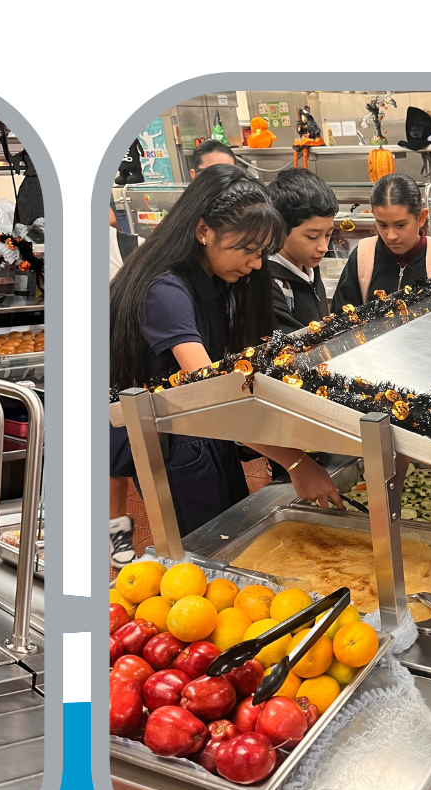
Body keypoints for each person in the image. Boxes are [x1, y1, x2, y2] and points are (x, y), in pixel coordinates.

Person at [109, 164, 341, 551]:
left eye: (261, 253)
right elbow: (213, 390)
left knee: (231, 541)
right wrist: (297, 462)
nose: (254, 264)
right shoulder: (165, 290)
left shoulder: (218, 280)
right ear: (204, 231)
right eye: (247, 250)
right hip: (177, 442)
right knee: (208, 552)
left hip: (208, 431)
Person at [330, 173, 431, 307]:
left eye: (400, 225)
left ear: (421, 217)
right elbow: (341, 318)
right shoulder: (363, 257)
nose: (391, 236)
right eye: (383, 225)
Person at [266, 167, 338, 329]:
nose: (323, 247)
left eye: (328, 234)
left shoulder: (310, 266)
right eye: (312, 236)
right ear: (280, 230)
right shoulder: (269, 284)